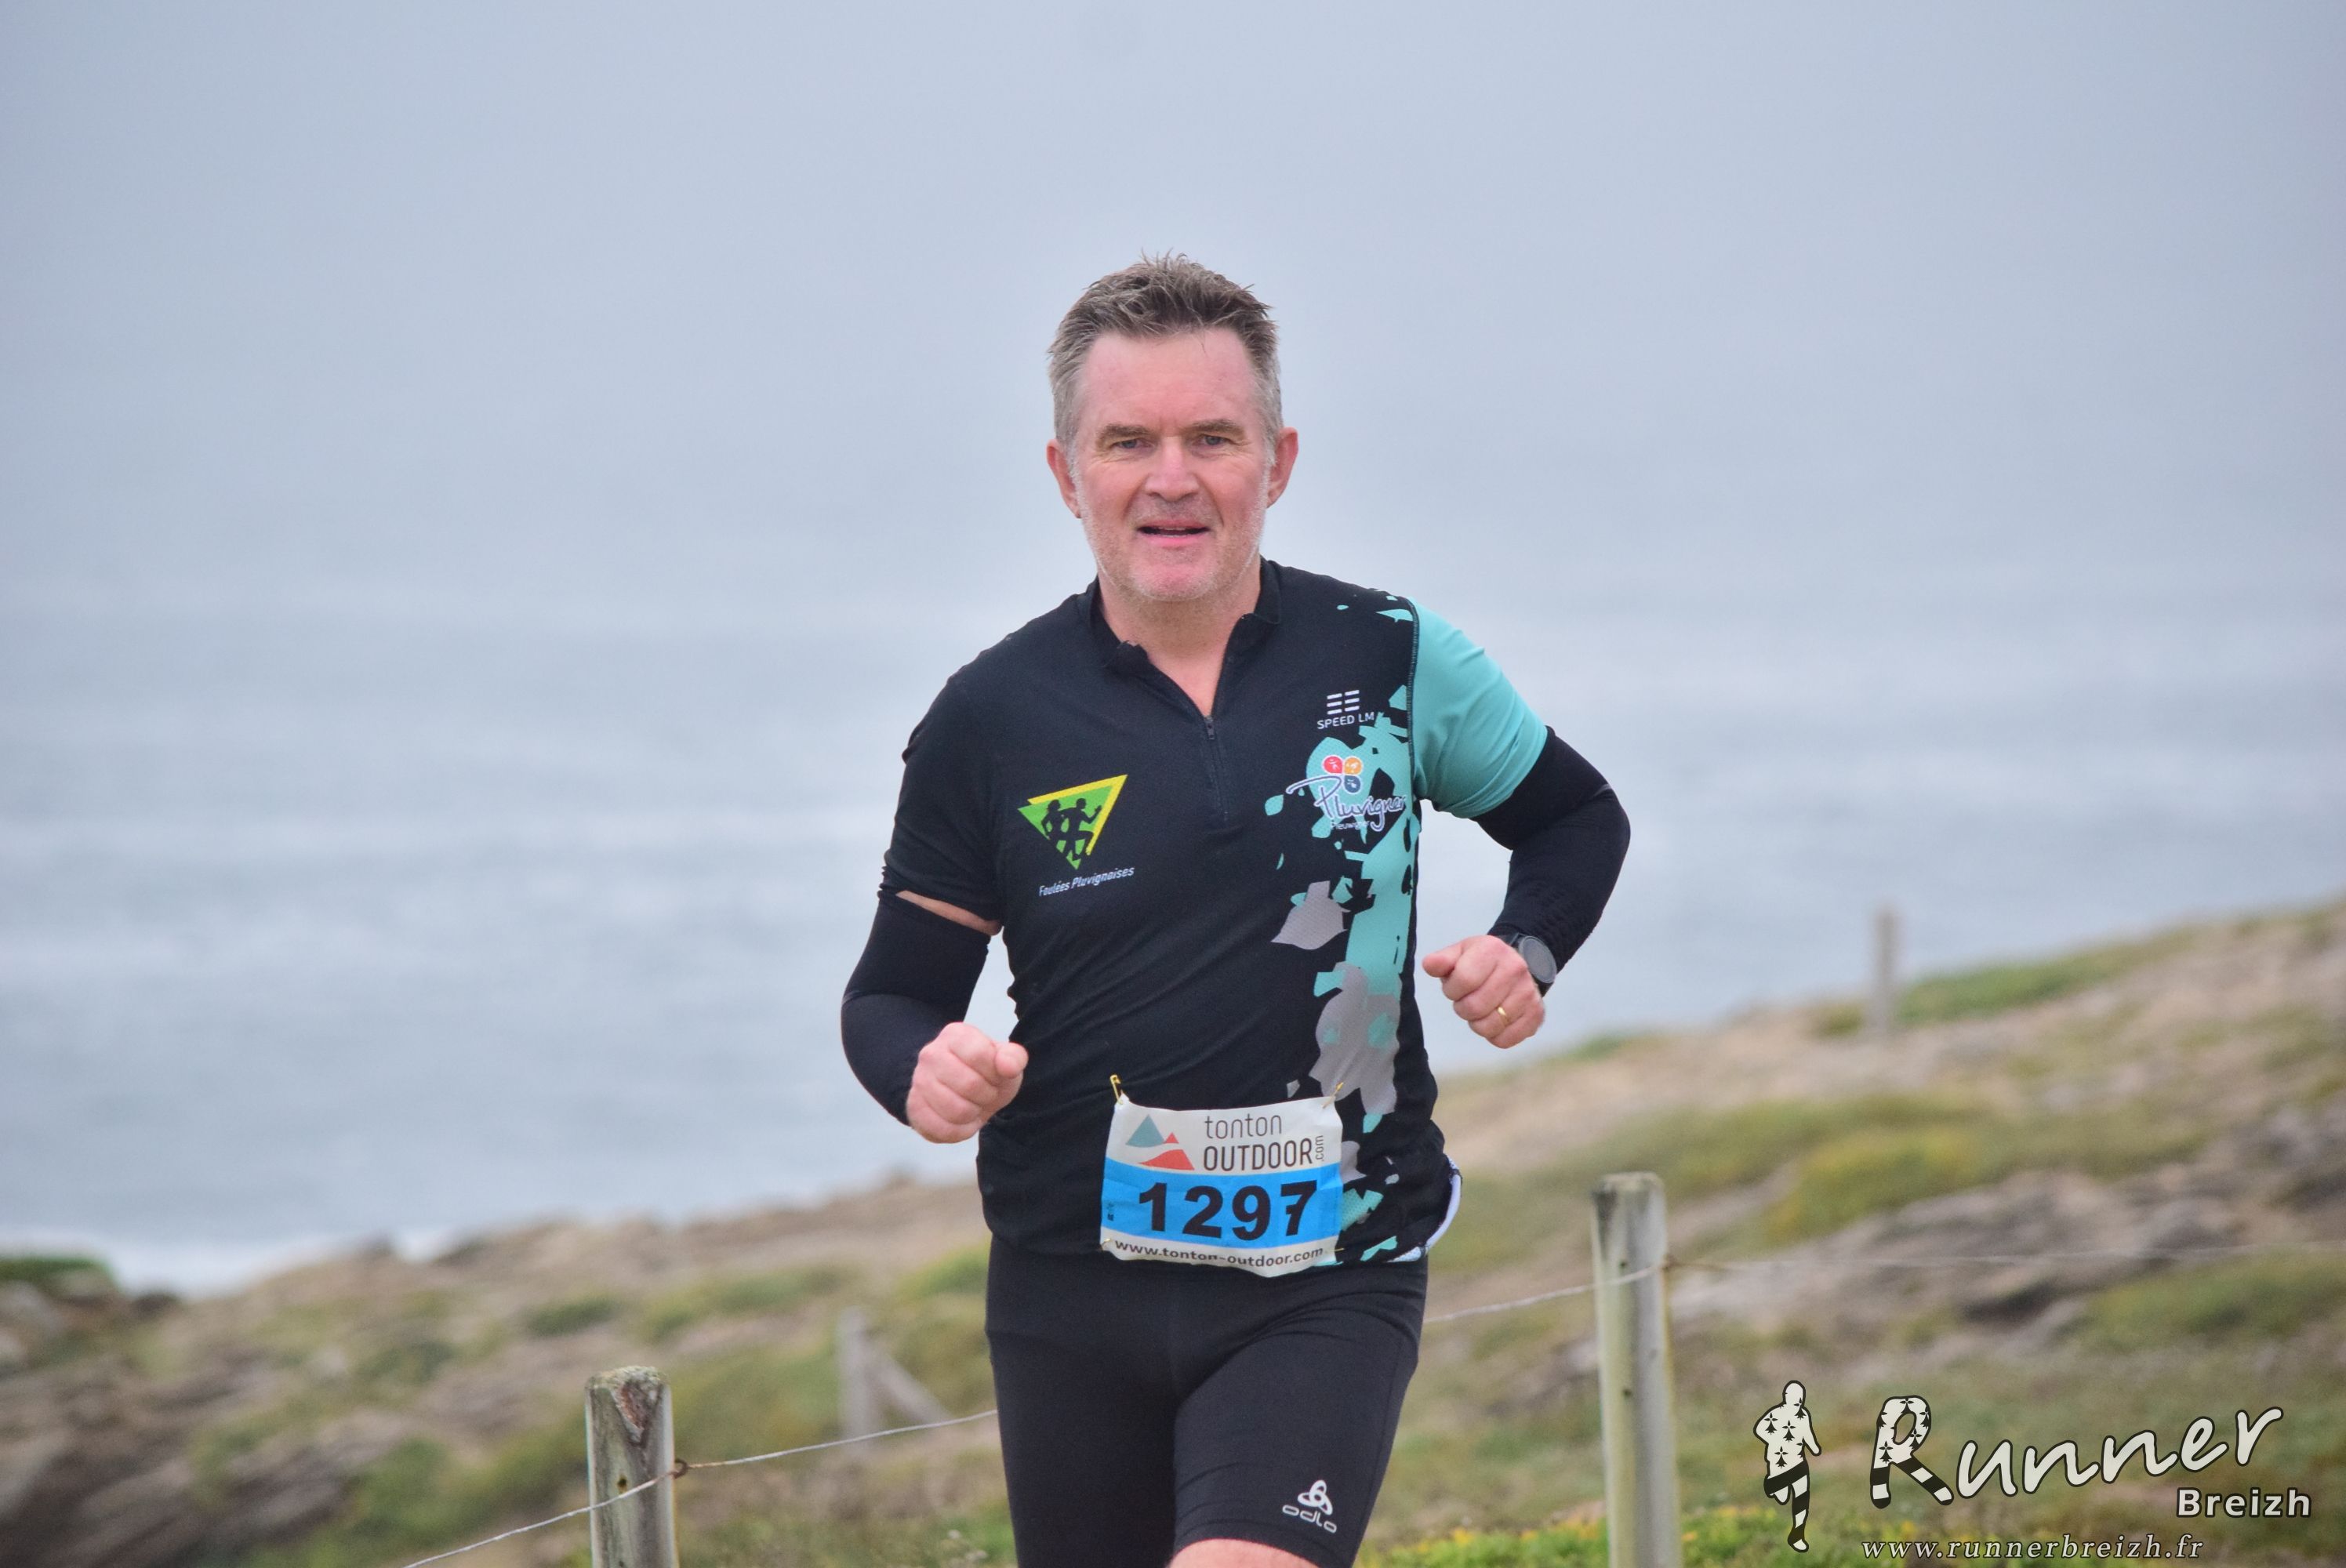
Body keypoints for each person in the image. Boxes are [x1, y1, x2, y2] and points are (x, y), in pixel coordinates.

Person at [841, 255, 1630, 1568]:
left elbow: (1576, 817)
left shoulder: (1391, 659)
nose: (1173, 478)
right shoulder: (989, 720)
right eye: (1128, 443)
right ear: (1066, 473)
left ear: (1278, 460)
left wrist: (1525, 947)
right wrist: (920, 1070)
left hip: (1333, 1266)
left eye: (1213, 438)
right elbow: (892, 996)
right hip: (1068, 1287)